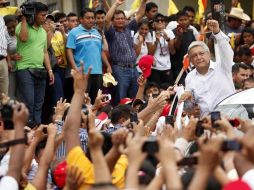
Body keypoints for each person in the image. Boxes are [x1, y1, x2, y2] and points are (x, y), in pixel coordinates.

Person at [180, 20, 235, 116]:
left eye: (201, 53)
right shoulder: (189, 77)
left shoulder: (222, 66)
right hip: (207, 123)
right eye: (194, 56)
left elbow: (226, 51)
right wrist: (188, 104)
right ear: (191, 60)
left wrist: (217, 33)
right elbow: (189, 106)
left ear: (209, 54)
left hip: (230, 117)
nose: (198, 57)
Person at [16, 2, 54, 126]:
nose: (45, 18)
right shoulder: (22, 25)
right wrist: (23, 18)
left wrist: (50, 70)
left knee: (39, 104)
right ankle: (28, 132)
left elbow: (45, 52)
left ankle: (36, 129)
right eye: (42, 15)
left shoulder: (43, 31)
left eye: (45, 15)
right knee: (29, 103)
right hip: (24, 69)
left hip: (40, 70)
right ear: (34, 14)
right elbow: (23, 38)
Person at [105, 0, 147, 105]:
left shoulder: (129, 28)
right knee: (121, 98)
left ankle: (134, 118)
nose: (120, 20)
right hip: (120, 70)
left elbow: (140, 14)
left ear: (125, 19)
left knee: (136, 97)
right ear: (113, 21)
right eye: (117, 19)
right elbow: (106, 19)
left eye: (122, 18)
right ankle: (120, 119)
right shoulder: (111, 32)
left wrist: (143, 2)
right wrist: (116, 4)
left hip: (133, 68)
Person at [66, 8, 111, 104]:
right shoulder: (73, 32)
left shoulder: (97, 33)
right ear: (81, 19)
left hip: (97, 72)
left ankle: (94, 119)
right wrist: (75, 68)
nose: (91, 20)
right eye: (88, 18)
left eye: (92, 18)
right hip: (83, 73)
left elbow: (101, 51)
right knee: (83, 101)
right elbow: (69, 50)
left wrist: (108, 65)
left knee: (96, 101)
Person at [149, 13, 175, 86]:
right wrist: (156, 41)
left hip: (167, 66)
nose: (160, 22)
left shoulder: (169, 32)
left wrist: (167, 39)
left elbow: (172, 51)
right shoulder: (150, 34)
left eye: (162, 20)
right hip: (154, 67)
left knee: (167, 89)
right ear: (153, 23)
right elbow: (150, 54)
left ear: (165, 22)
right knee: (155, 89)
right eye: (157, 20)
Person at [4, 14, 19, 99]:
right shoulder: (4, 36)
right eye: (9, 28)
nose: (12, 29)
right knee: (11, 93)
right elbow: (3, 51)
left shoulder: (21, 32)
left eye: (13, 26)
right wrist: (11, 58)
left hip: (23, 68)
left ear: (17, 22)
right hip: (11, 69)